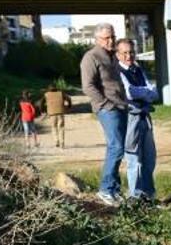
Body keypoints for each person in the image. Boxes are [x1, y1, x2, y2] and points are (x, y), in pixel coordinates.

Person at [80, 22, 128, 207]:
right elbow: (88, 86)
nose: (111, 40)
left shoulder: (112, 56)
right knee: (116, 148)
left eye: (113, 37)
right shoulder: (91, 57)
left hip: (120, 107)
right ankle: (106, 190)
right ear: (97, 39)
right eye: (107, 38)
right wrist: (106, 104)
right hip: (108, 109)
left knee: (117, 148)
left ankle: (114, 190)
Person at [116, 38, 158, 201]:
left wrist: (144, 92)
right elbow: (129, 93)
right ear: (118, 54)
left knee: (149, 157)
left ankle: (148, 195)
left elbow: (154, 92)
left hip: (144, 117)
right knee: (133, 159)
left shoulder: (138, 70)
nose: (129, 56)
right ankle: (134, 196)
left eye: (131, 52)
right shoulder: (118, 71)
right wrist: (146, 92)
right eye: (125, 53)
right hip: (130, 118)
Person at [38, 83, 72, 149]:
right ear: (56, 88)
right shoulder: (61, 93)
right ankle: (62, 143)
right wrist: (69, 106)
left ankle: (56, 141)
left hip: (52, 113)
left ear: (49, 89)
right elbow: (69, 98)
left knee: (54, 127)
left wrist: (42, 110)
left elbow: (40, 103)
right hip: (60, 112)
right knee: (61, 127)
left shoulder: (46, 94)